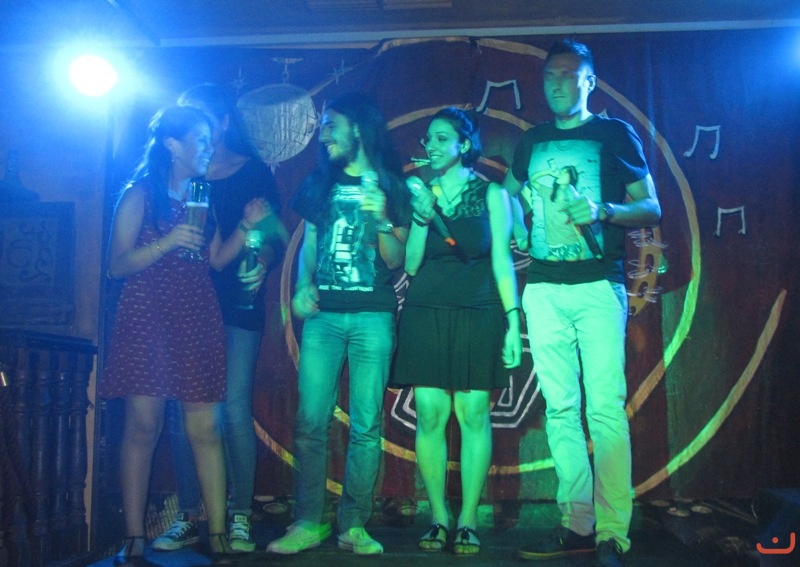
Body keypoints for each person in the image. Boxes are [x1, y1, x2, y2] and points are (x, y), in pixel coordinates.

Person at [504, 39, 661, 567]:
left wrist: (603, 210)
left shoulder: (614, 134)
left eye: (568, 75)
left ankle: (612, 532)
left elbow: (652, 206)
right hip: (544, 289)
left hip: (597, 287)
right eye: (550, 75)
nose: (556, 83)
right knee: (561, 410)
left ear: (589, 81)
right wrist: (519, 225)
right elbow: (507, 193)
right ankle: (576, 523)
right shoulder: (533, 140)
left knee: (604, 409)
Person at [99, 105, 267, 564]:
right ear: (173, 145)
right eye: (202, 141)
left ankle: (218, 533)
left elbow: (215, 259)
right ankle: (134, 537)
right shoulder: (140, 194)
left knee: (205, 426)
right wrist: (168, 241)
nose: (211, 149)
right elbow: (116, 265)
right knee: (144, 426)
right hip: (148, 316)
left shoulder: (202, 196)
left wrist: (246, 227)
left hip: (195, 312)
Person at [266, 92, 411, 556]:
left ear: (358, 129)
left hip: (373, 316)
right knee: (311, 420)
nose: (324, 135)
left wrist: (382, 219)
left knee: (366, 424)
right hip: (324, 317)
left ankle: (354, 524)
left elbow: (397, 259)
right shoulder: (320, 183)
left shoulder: (392, 185)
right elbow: (310, 242)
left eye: (332, 125)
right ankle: (308, 521)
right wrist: (302, 285)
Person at [152, 84, 287, 554]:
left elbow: (275, 235)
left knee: (232, 408)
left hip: (235, 302)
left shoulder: (253, 173)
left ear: (224, 121)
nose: (195, 127)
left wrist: (262, 259)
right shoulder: (177, 174)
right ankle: (191, 514)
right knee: (184, 411)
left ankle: (240, 515)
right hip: (186, 302)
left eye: (202, 117)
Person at [391, 107, 522, 555]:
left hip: (478, 309)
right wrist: (420, 220)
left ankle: (467, 517)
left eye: (441, 138)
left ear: (464, 145)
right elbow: (410, 265)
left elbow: (502, 261)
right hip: (427, 309)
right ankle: (438, 517)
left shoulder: (491, 194)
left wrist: (513, 321)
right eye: (428, 139)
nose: (430, 146)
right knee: (429, 413)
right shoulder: (420, 194)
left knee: (473, 414)